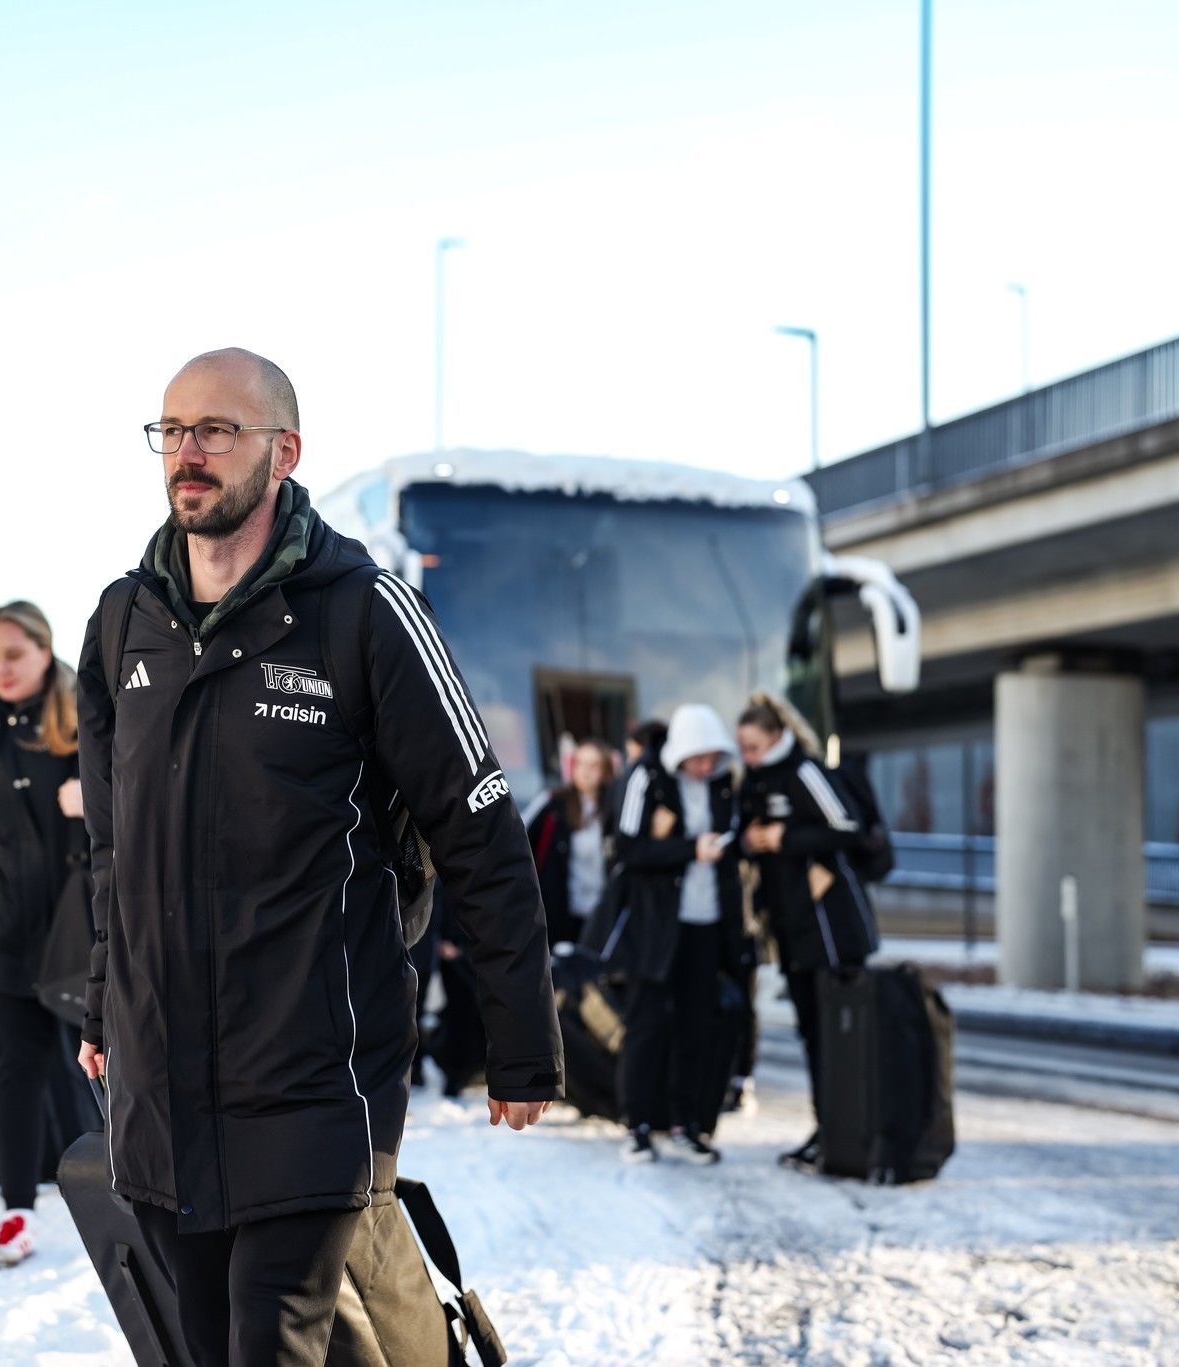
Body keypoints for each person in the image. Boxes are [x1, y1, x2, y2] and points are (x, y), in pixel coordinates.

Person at [75, 348, 562, 1366]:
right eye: (173, 430)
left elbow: (479, 826)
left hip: (316, 1076)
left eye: (217, 429)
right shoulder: (124, 621)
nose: (188, 452)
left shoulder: (362, 613)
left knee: (276, 1342)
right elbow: (114, 848)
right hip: (163, 1084)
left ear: (283, 451)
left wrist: (520, 1038)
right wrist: (100, 1003)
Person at [0, 601, 88, 1269]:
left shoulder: (83, 717)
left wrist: (94, 795)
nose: (1, 668)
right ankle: (16, 1212)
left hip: (77, 929)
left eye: (14, 652)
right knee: (12, 1069)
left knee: (99, 1064)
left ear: (43, 649)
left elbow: (143, 797)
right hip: (4, 931)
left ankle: (132, 1194)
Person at [584, 704, 743, 1163]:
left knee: (696, 1025)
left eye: (713, 757)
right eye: (699, 757)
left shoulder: (719, 784)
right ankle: (636, 1123)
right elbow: (629, 848)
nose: (706, 766)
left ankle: (687, 1122)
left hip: (706, 921)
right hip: (655, 926)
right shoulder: (645, 777)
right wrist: (691, 849)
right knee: (646, 1025)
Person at [736, 693, 878, 1171]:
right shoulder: (758, 781)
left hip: (831, 930)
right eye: (743, 748)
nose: (748, 757)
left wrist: (784, 839)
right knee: (813, 1036)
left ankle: (848, 1133)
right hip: (794, 930)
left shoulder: (804, 771)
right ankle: (828, 1131)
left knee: (837, 1037)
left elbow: (848, 826)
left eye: (754, 747)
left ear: (776, 738)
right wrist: (752, 841)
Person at [523, 739, 619, 948]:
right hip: (561, 909)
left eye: (593, 766)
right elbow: (519, 836)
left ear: (604, 771)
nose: (585, 772)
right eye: (580, 764)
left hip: (601, 911)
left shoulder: (614, 807)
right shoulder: (552, 803)